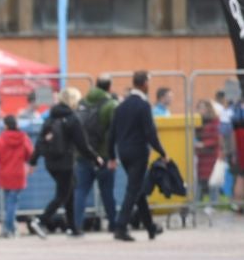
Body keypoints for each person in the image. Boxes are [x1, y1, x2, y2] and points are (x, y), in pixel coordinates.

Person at [28, 87, 103, 238]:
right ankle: (39, 220)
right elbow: (82, 144)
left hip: (51, 162)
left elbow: (40, 141)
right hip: (66, 162)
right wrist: (96, 158)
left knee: (70, 190)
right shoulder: (72, 118)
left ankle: (73, 228)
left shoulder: (50, 117)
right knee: (63, 194)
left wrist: (33, 161)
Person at [108, 70, 168, 241]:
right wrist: (162, 152)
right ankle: (120, 226)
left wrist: (112, 156)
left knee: (138, 189)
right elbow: (150, 132)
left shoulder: (121, 106)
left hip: (123, 152)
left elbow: (111, 133)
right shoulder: (143, 105)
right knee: (133, 189)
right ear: (145, 84)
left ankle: (150, 227)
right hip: (138, 153)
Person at [73, 74, 119, 234]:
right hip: (104, 154)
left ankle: (76, 225)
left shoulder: (82, 102)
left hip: (83, 154)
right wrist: (113, 156)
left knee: (81, 191)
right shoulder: (111, 105)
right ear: (109, 86)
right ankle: (113, 224)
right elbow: (114, 132)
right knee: (107, 192)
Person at [0, 115, 34, 238]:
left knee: (9, 201)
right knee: (13, 202)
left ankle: (9, 227)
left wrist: (2, 160)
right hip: (19, 173)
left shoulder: (1, 139)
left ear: (5, 125)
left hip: (5, 173)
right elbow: (30, 154)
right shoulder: (23, 137)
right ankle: (10, 227)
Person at [194, 99, 222, 208]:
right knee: (200, 181)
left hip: (212, 156)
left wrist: (204, 144)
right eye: (199, 107)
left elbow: (217, 138)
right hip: (201, 157)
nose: (200, 110)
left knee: (212, 181)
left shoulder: (215, 121)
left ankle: (213, 204)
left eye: (202, 107)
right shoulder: (197, 122)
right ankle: (196, 204)